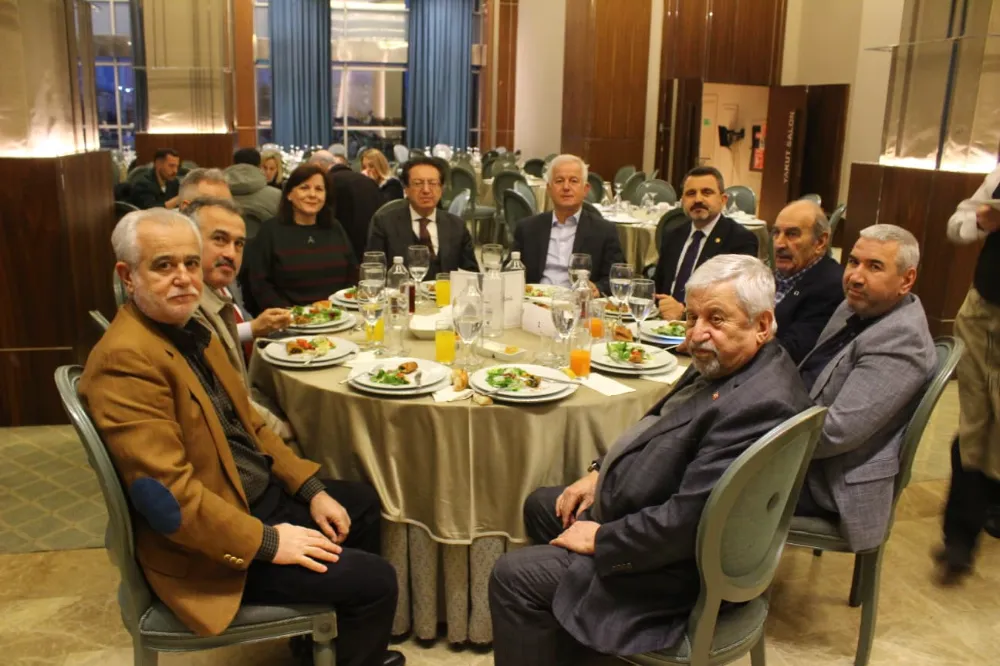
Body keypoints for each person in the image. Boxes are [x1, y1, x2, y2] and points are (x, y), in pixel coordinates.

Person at [81, 208, 404, 666]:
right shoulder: (125, 362)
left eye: (190, 263)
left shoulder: (191, 329)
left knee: (362, 506)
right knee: (376, 580)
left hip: (248, 496)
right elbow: (172, 503)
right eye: (163, 265)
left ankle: (327, 649)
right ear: (127, 276)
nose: (183, 278)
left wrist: (310, 489)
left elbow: (251, 426)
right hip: (209, 549)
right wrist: (268, 542)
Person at [489, 255, 812, 664]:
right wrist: (600, 474)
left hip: (674, 572)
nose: (697, 333)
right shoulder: (734, 361)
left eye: (716, 319)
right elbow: (658, 426)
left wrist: (602, 539)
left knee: (512, 577)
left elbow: (687, 521)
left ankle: (588, 622)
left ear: (762, 325)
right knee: (543, 505)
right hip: (660, 519)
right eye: (691, 317)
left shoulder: (758, 404)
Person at [796, 224, 935, 553]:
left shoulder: (902, 339)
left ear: (906, 280)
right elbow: (811, 375)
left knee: (710, 479)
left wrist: (754, 432)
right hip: (804, 442)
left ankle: (717, 579)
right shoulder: (856, 305)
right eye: (853, 262)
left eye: (874, 267)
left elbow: (834, 434)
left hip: (828, 481)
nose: (855, 277)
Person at [185, 196, 294, 438]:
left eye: (239, 244)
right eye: (219, 239)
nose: (231, 254)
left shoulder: (215, 292)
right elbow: (232, 406)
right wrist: (289, 431)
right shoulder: (186, 309)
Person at [936, 163, 1000, 577]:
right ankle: (959, 539)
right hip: (984, 314)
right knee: (976, 423)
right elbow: (957, 227)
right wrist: (981, 220)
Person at [241, 164, 357, 312]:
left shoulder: (335, 228)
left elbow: (352, 272)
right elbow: (260, 283)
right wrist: (292, 315)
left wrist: (341, 308)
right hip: (289, 319)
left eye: (319, 189)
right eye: (304, 188)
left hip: (338, 315)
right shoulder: (270, 231)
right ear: (289, 194)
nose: (312, 194)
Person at [653, 166, 758, 320]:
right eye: (691, 193)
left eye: (707, 192)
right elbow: (658, 285)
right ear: (682, 201)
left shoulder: (740, 240)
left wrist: (685, 313)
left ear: (723, 200)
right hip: (661, 324)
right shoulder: (673, 234)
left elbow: (736, 302)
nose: (698, 200)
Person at [511, 154, 625, 295]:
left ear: (585, 189)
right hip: (534, 301)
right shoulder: (528, 228)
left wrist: (598, 288)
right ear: (549, 189)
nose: (566, 187)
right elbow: (510, 272)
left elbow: (616, 277)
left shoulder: (604, 231)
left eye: (573, 181)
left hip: (578, 303)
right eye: (559, 181)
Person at [366, 156, 478, 275]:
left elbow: (471, 273)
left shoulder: (456, 225)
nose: (426, 190)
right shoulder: (385, 223)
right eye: (418, 183)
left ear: (441, 189)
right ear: (406, 189)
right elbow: (373, 272)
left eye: (432, 183)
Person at [770, 200, 844, 363]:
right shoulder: (771, 276)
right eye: (776, 233)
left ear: (820, 242)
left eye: (792, 234)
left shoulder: (830, 286)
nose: (779, 244)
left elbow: (790, 353)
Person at [328, 153, 385, 264]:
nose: (367, 170)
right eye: (364, 167)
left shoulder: (391, 185)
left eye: (371, 166)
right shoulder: (368, 183)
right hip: (372, 248)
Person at [225, 148, 282, 238]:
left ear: (233, 164)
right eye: (265, 167)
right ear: (259, 166)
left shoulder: (214, 193)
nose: (268, 172)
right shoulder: (278, 196)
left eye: (272, 169)